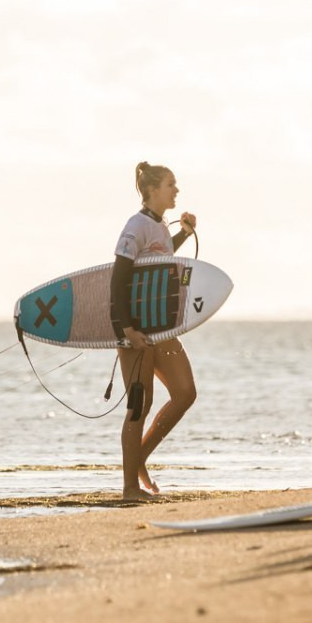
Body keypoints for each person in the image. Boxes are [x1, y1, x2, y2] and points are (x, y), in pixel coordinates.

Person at [110, 162, 198, 501]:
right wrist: (127, 329)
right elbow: (118, 279)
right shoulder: (135, 227)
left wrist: (184, 234)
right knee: (139, 405)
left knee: (185, 393)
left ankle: (140, 459)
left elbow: (159, 261)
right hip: (133, 328)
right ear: (152, 190)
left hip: (158, 326)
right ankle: (130, 488)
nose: (176, 190)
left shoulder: (159, 225)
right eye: (171, 184)